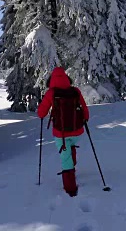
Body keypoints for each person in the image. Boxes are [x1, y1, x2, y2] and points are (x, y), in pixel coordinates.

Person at [37, 67, 90, 197]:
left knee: (65, 158)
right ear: (67, 79)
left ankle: (70, 189)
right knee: (70, 147)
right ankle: (72, 163)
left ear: (51, 80)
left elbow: (41, 113)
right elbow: (85, 111)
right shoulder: (75, 91)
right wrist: (84, 120)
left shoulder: (51, 93)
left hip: (61, 133)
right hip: (77, 131)